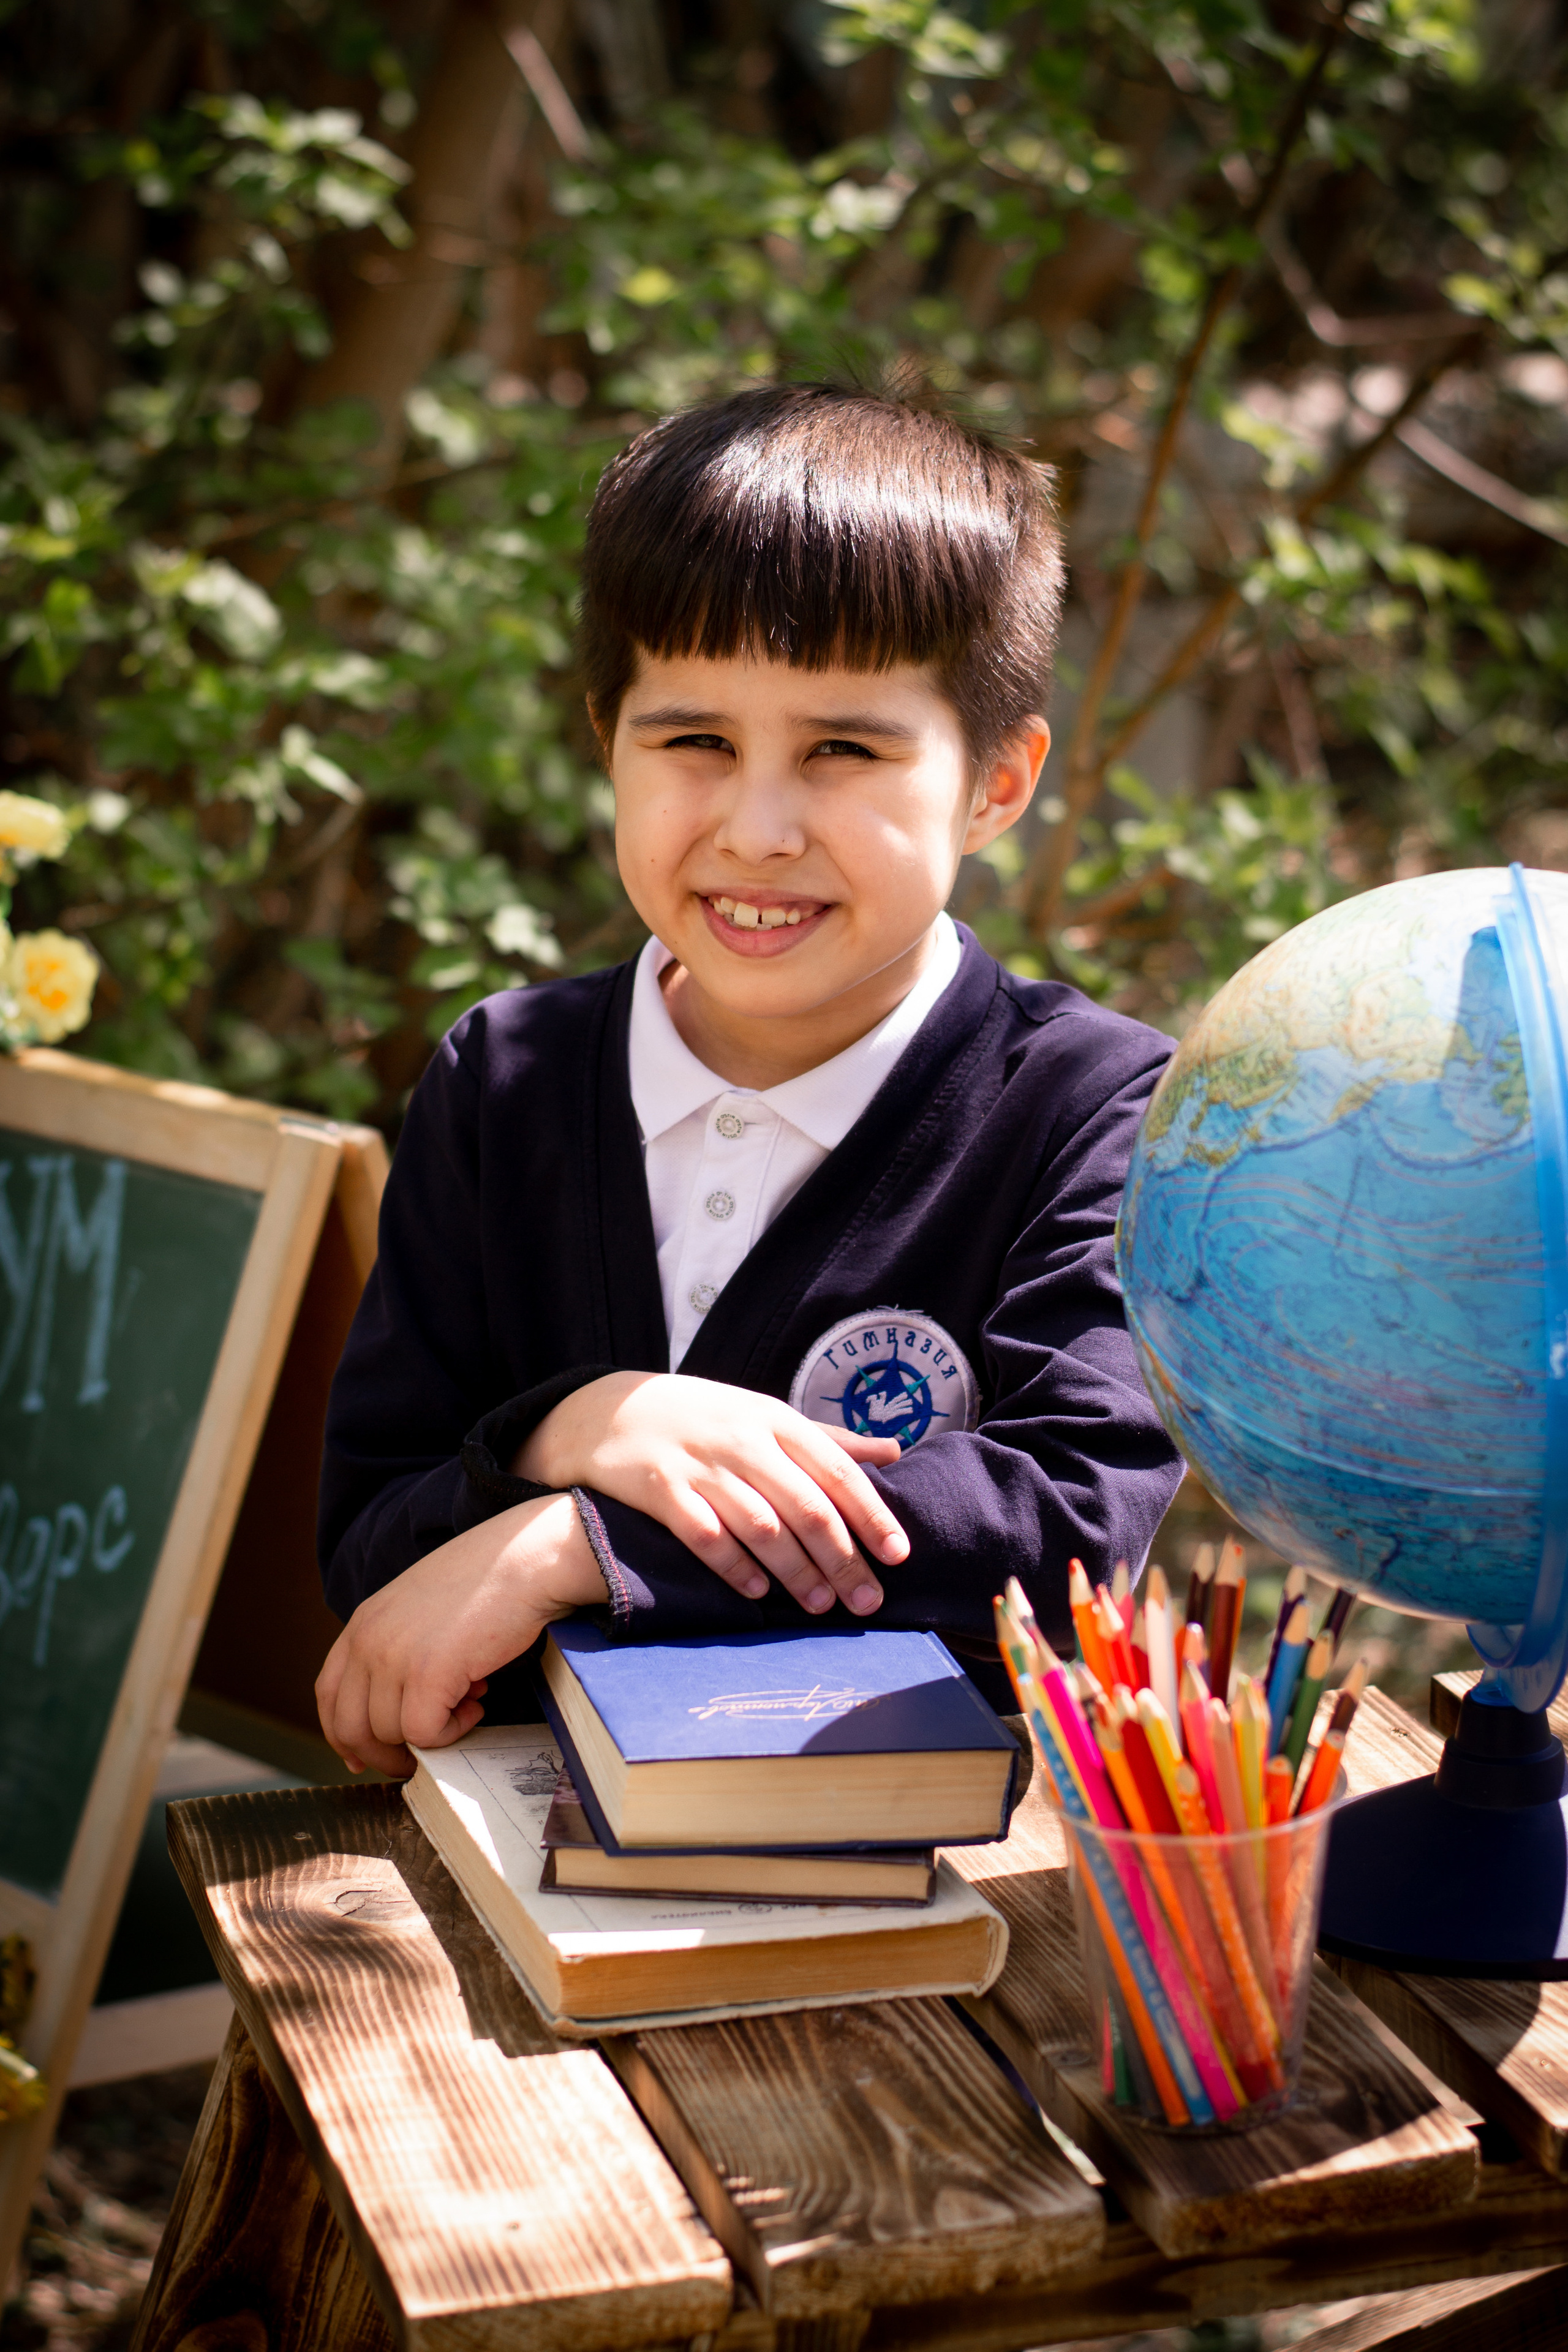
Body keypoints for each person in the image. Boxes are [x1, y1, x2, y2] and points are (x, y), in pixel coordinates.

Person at [315, 381, 1183, 1776]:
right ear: (607, 735)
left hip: (929, 1938)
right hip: (495, 1909)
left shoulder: (1095, 1109)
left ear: (996, 782)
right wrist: (571, 1425)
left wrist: (574, 1540)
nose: (756, 828)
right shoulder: (507, 1078)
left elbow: (1065, 1535)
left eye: (841, 749)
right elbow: (370, 1547)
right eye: (694, 741)